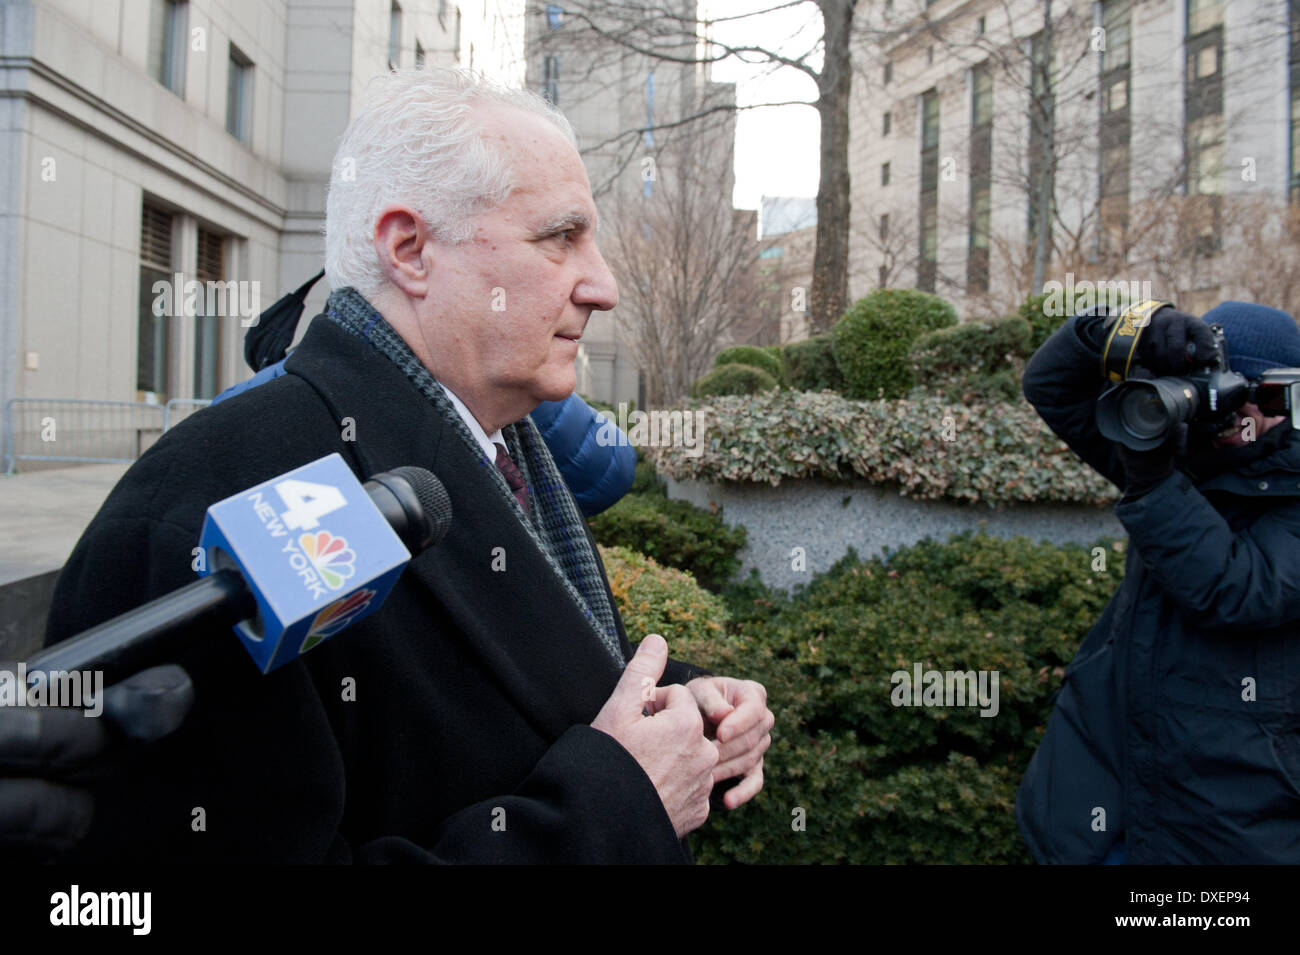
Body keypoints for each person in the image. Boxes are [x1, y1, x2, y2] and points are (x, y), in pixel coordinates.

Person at [40, 69, 773, 863]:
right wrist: (613, 806)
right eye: (560, 236)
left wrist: (684, 709)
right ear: (411, 249)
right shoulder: (210, 505)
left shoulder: (501, 441)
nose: (605, 285)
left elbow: (535, 682)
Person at [1016, 298, 1300, 864]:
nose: (1234, 413)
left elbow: (1235, 589)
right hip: (1099, 828)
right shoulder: (1172, 450)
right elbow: (1050, 384)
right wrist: (1129, 329)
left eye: (1255, 394)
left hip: (1228, 842)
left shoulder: (1179, 477)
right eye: (1216, 386)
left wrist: (1151, 481)